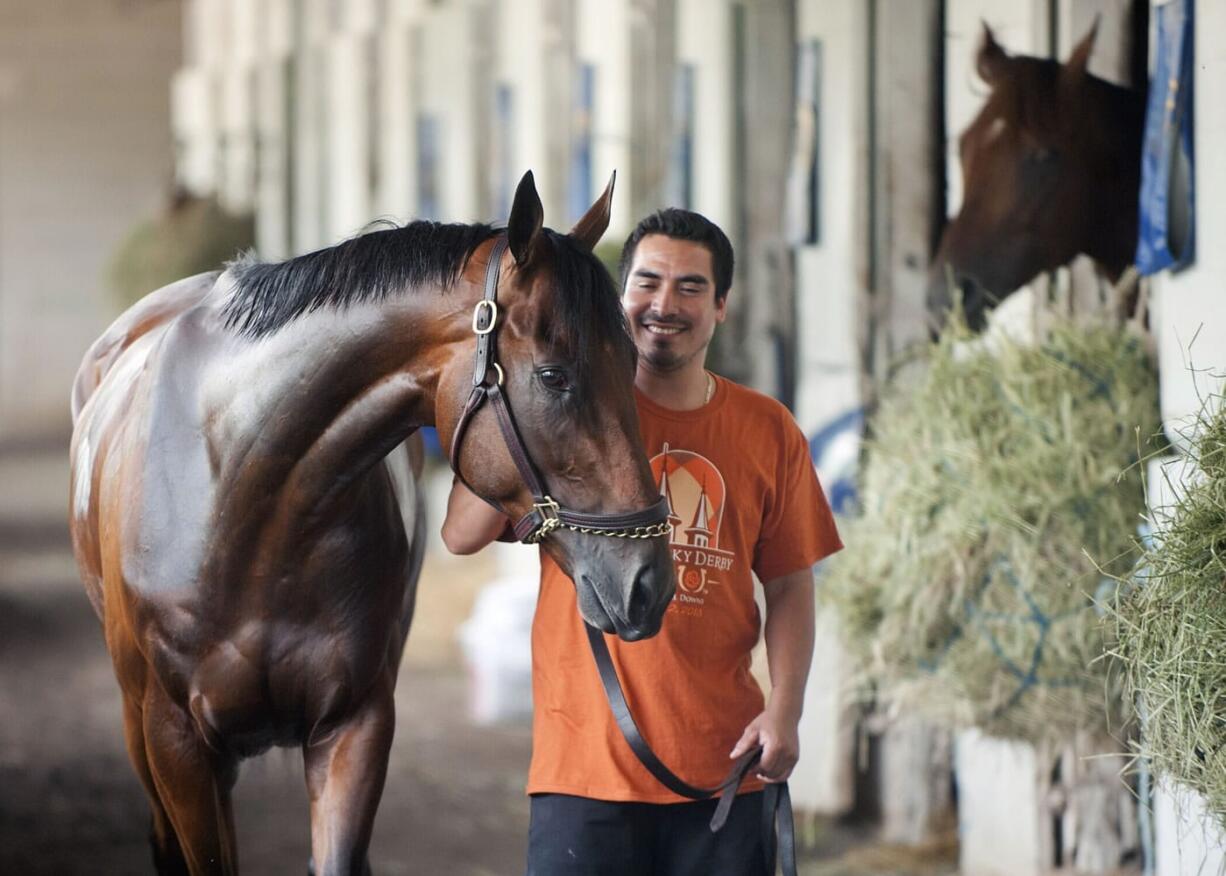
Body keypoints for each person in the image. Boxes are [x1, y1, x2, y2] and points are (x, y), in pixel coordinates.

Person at [442, 209, 842, 875]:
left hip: (725, 771)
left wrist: (785, 712)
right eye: (647, 282)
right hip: (583, 773)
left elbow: (790, 582)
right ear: (619, 297)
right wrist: (521, 400)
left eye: (690, 288)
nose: (664, 304)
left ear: (722, 307)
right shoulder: (563, 414)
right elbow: (460, 536)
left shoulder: (767, 429)